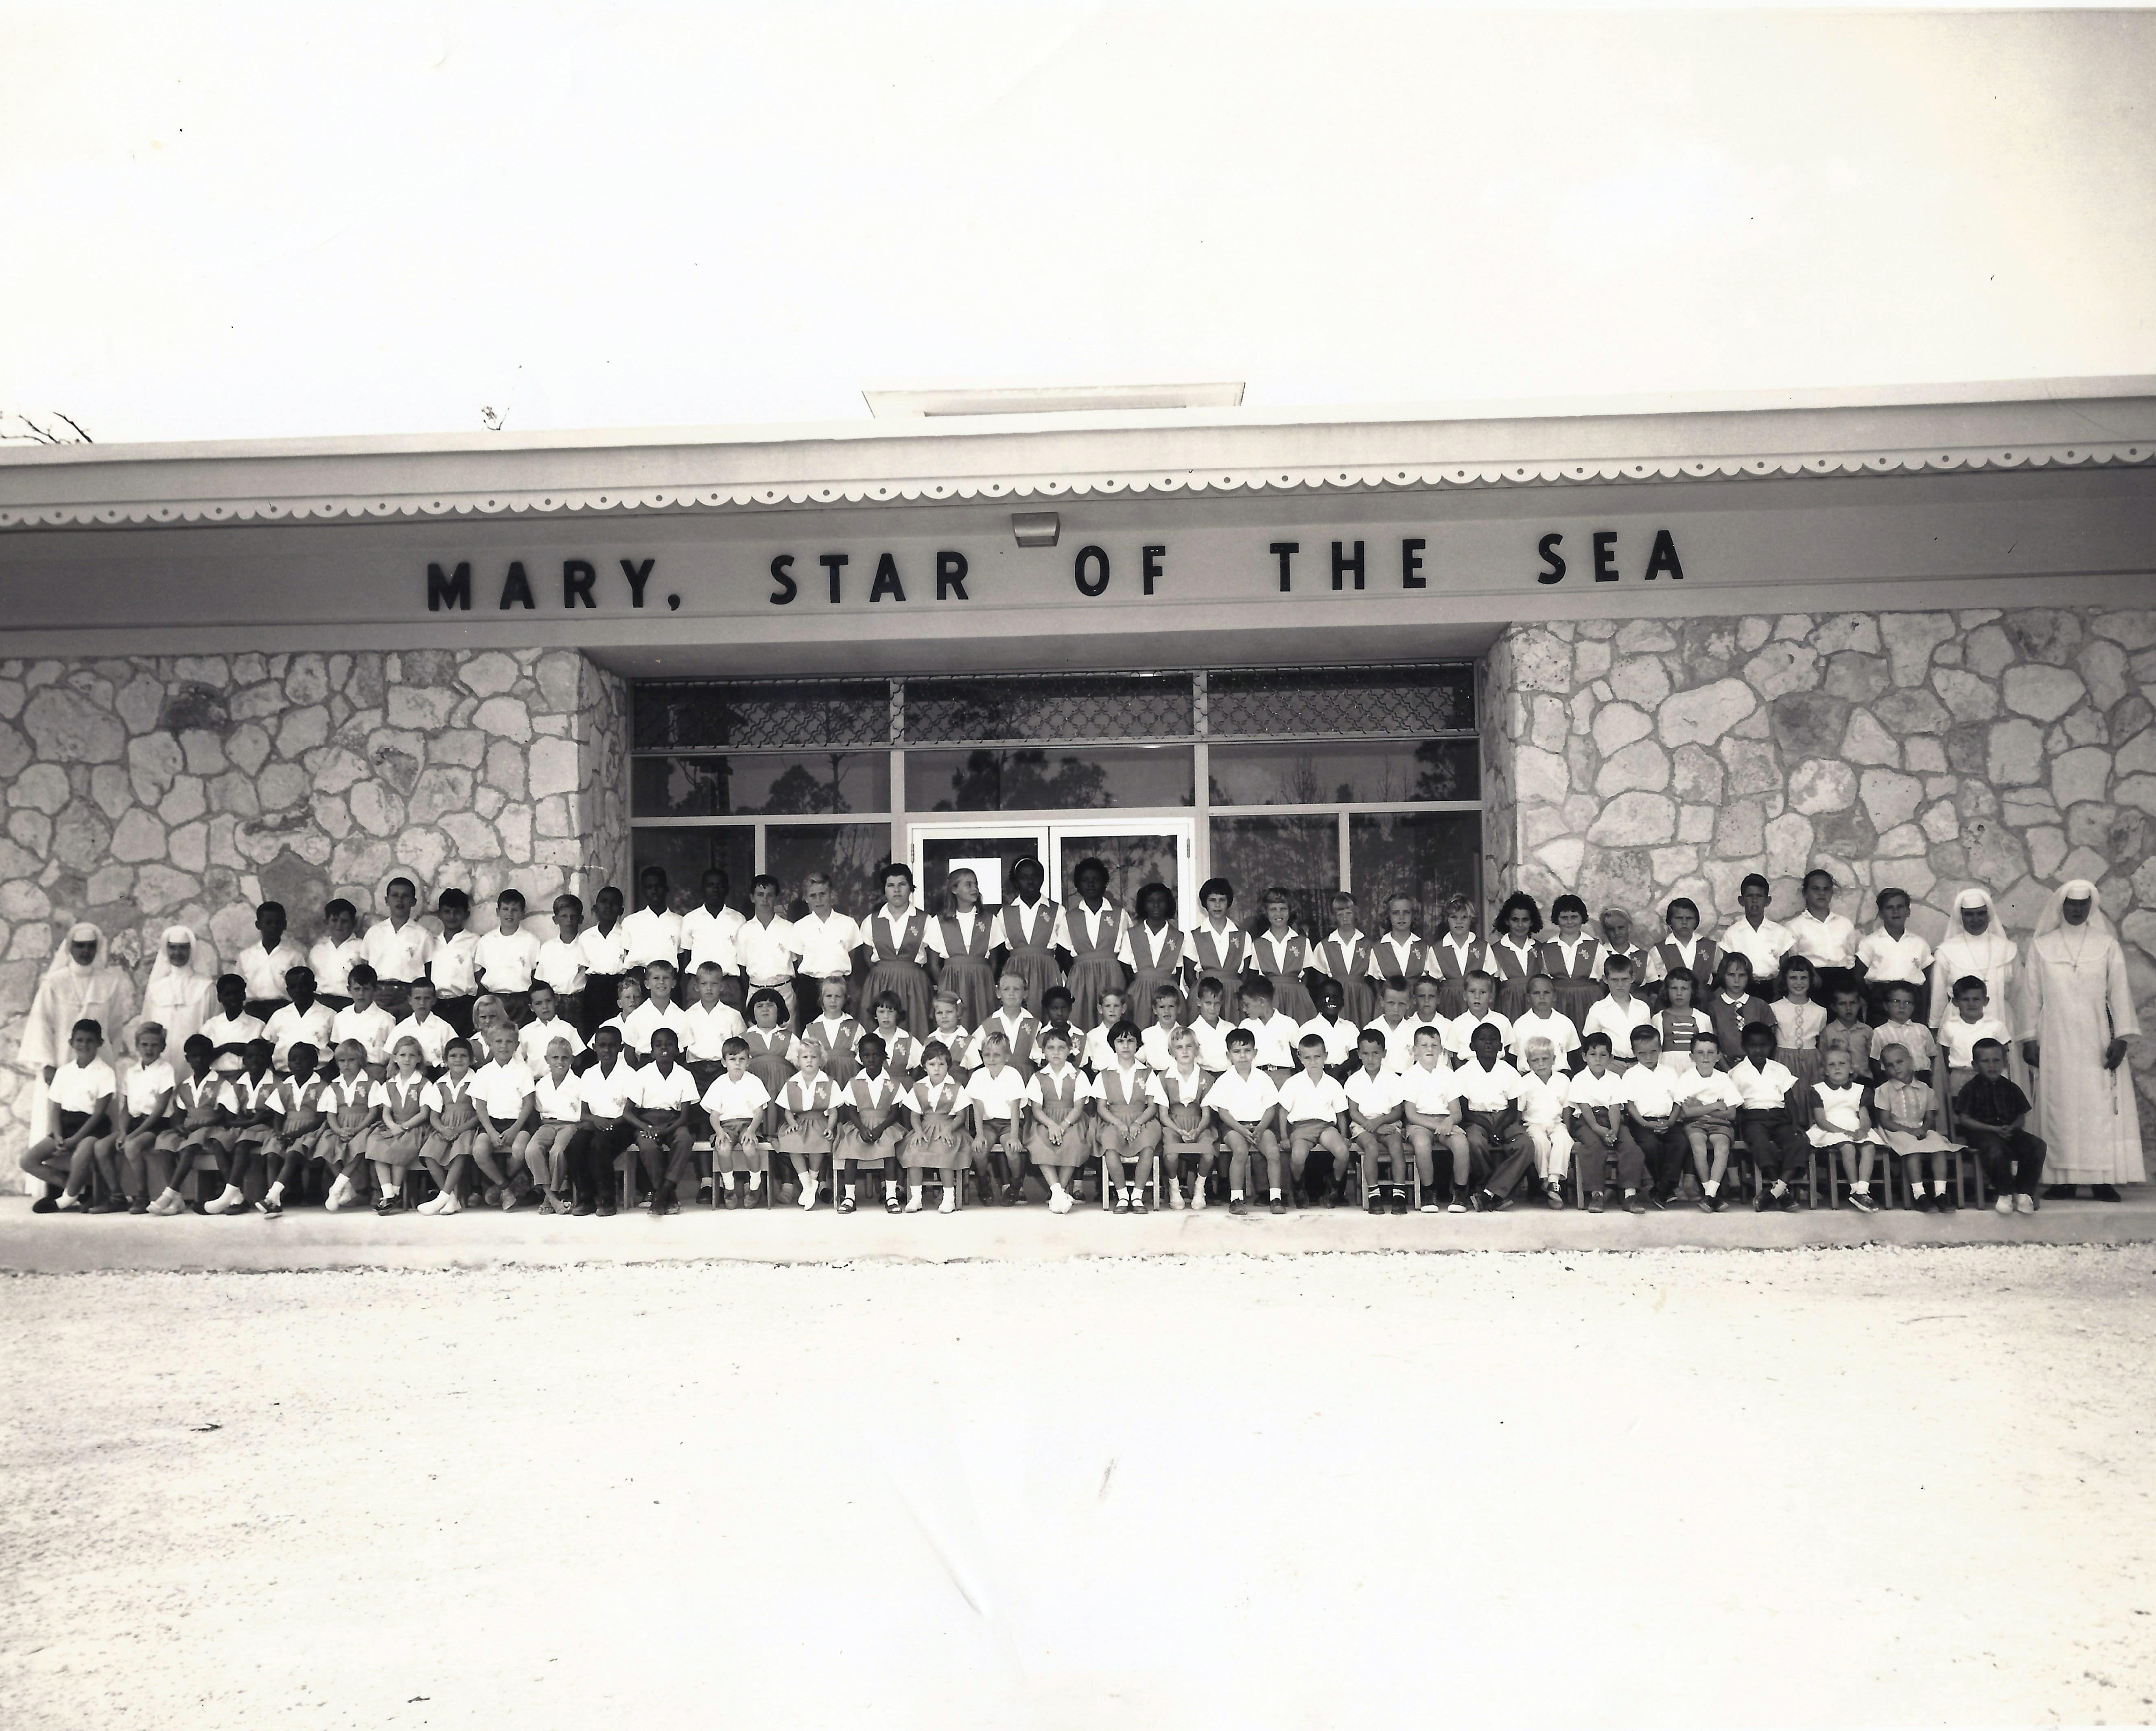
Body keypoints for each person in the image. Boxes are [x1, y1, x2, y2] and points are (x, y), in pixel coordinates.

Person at [2024, 880, 2143, 1201]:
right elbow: (2031, 996)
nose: (2077, 910)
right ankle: (2062, 1180)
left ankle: (2102, 1180)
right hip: (2055, 1038)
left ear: (2091, 907)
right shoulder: (2042, 946)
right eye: (2071, 904)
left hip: (2096, 1036)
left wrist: (2122, 1039)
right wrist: (2029, 1038)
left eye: (2083, 905)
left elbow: (2119, 992)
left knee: (2098, 1106)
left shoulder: (2107, 945)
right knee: (2058, 1104)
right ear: (2061, 906)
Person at [18, 923, 134, 1149]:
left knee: (99, 1122)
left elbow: (114, 1028)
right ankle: (56, 1181)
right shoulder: (54, 982)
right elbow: (41, 1024)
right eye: (80, 946)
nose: (85, 952)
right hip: (61, 1061)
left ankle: (95, 1181)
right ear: (70, 948)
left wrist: (108, 1063)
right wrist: (47, 1064)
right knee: (56, 1121)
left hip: (98, 1061)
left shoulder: (109, 982)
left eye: (91, 946)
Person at [20, 1017, 117, 1213]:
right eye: (80, 1040)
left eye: (90, 1041)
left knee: (82, 1152)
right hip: (65, 1125)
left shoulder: (105, 1073)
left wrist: (75, 1140)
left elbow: (99, 1113)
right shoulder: (64, 1072)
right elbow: (55, 1108)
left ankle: (66, 1199)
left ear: (100, 1043)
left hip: (92, 1128)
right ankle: (76, 1190)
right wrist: (57, 1136)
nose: (84, 1045)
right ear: (71, 1043)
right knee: (28, 1161)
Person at [143, 1035, 234, 1216]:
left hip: (212, 1128)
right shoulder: (185, 1086)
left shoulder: (221, 1084)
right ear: (188, 1059)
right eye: (194, 1057)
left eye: (204, 1056)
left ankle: (167, 1194)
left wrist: (203, 1125)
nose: (199, 1060)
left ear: (211, 1058)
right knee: (166, 1143)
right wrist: (178, 1126)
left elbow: (225, 1115)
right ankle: (177, 1200)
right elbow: (179, 1114)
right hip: (190, 1128)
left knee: (191, 1146)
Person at [1955, 1038, 2047, 1215]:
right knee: (1996, 1150)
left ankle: (2023, 1192)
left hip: (2009, 1132)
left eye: (1997, 1061)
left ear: (2004, 1063)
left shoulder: (2011, 1088)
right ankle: (2004, 1192)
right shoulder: (1970, 1089)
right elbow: (1965, 1120)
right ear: (1975, 1065)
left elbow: (2021, 1116)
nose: (1992, 1066)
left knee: (2037, 1145)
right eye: (1985, 1061)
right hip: (1982, 1134)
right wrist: (1993, 1130)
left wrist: (2012, 1128)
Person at [1455, 1022, 1535, 1213]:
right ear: (1472, 1046)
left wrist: (1498, 1128)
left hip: (1505, 1119)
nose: (1488, 1044)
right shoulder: (1463, 1073)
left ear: (1501, 1046)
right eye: (1483, 1040)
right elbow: (1465, 1111)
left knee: (1526, 1144)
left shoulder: (1509, 1071)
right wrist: (1489, 1128)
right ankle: (1491, 1190)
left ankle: (1487, 1193)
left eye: (1493, 1040)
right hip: (1476, 1120)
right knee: (1474, 1142)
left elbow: (1514, 1108)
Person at [1874, 1042, 1961, 1213]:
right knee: (1912, 1148)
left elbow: (1930, 1118)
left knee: (1938, 1146)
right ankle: (1919, 1195)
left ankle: (1941, 1193)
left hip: (1920, 1129)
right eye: (1890, 1065)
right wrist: (1910, 1131)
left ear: (1911, 1061)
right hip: (1895, 1131)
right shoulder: (1884, 1090)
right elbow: (1885, 1121)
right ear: (1885, 1068)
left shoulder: (1925, 1089)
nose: (1896, 1068)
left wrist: (1924, 1129)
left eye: (1900, 1062)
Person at [1205, 1026, 1283, 1216]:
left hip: (1260, 1125)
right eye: (1237, 1052)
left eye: (1247, 1051)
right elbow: (1223, 1112)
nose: (1243, 1056)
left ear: (1255, 1053)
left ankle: (1276, 1197)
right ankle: (1236, 1199)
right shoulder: (1224, 1080)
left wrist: (1261, 1128)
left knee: (1273, 1152)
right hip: (1233, 1127)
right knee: (1240, 1151)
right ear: (1228, 1055)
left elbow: (1270, 1108)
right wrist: (1241, 1130)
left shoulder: (1263, 1078)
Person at [1729, 1021, 1805, 1212]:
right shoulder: (1736, 1073)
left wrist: (1795, 1123)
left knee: (1800, 1142)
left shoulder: (1780, 1069)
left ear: (1771, 1046)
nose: (1759, 1050)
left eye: (1763, 1045)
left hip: (1780, 1117)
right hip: (1753, 1118)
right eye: (1753, 1046)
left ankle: (1776, 1192)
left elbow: (1791, 1100)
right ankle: (1781, 1192)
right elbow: (1735, 1105)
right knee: (1760, 1142)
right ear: (1744, 1047)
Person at [626, 1027, 699, 1215]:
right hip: (647, 1121)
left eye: (669, 1044)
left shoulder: (685, 1075)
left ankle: (662, 1194)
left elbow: (684, 1116)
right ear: (652, 1051)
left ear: (677, 1049)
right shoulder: (642, 1074)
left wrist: (666, 1131)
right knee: (649, 1147)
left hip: (675, 1122)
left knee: (685, 1140)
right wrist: (645, 1127)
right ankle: (667, 1195)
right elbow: (628, 1113)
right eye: (658, 1045)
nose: (664, 1048)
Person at [834, 1032, 908, 1215]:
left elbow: (895, 1112)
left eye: (876, 1055)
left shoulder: (893, 1083)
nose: (871, 1059)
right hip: (860, 1125)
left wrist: (880, 1129)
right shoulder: (854, 1083)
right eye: (866, 1055)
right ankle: (850, 1197)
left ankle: (891, 1196)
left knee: (890, 1152)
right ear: (860, 1057)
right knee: (851, 1152)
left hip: (886, 1124)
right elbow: (851, 1111)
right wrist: (862, 1129)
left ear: (885, 1057)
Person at [1807, 1046, 1888, 1213]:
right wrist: (1843, 1132)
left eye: (1842, 1064)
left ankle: (1863, 1191)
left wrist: (1864, 1130)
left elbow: (1865, 1118)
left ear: (1851, 1068)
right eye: (1831, 1065)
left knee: (1869, 1146)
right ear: (1825, 1071)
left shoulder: (1860, 1090)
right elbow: (1821, 1120)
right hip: (1831, 1129)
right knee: (1848, 1147)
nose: (1837, 1067)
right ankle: (1854, 1188)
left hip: (1855, 1126)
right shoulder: (1818, 1090)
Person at [1093, 1020, 1163, 1215]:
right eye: (1121, 1041)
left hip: (1143, 1120)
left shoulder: (1147, 1073)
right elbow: (1101, 1108)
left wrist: (1138, 1123)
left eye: (1131, 1041)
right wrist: (1119, 1124)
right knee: (1110, 1146)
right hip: (1113, 1120)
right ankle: (1123, 1195)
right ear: (1113, 1044)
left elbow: (1152, 1106)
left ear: (1138, 1044)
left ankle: (1138, 1196)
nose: (1126, 1046)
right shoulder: (1104, 1075)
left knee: (1148, 1146)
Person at [1929, 886, 2017, 1040]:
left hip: (2002, 1019)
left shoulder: (2007, 949)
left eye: (1981, 913)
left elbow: (2020, 993)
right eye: (1969, 915)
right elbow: (1938, 996)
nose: (1976, 920)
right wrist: (1935, 1028)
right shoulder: (1946, 951)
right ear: (1960, 916)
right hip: (1959, 1024)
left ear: (1989, 914)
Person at [564, 1027, 635, 1217]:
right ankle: (586, 1198)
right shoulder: (589, 1074)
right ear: (594, 1047)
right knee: (576, 1144)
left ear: (621, 1048)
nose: (607, 1051)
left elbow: (631, 1112)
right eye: (602, 1046)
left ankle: (607, 1199)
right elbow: (584, 1114)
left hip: (622, 1126)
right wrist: (596, 1120)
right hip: (596, 1124)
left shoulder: (629, 1074)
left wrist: (609, 1124)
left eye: (612, 1046)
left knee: (600, 1144)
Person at [1398, 1026, 1469, 1211]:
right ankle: (1429, 1193)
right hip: (1419, 1123)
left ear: (1441, 1050)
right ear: (1415, 1051)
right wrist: (1439, 1125)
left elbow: (1457, 1113)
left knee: (1461, 1142)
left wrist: (1449, 1122)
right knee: (1422, 1144)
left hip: (1445, 1121)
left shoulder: (1448, 1075)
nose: (1429, 1050)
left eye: (1434, 1045)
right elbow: (1411, 1114)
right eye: (1424, 1045)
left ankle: (1460, 1193)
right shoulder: (1409, 1076)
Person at [1279, 1032, 1353, 1208]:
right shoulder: (1293, 1082)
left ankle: (1334, 1187)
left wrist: (1344, 1136)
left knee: (1343, 1152)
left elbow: (1341, 1113)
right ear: (1300, 1059)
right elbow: (1283, 1112)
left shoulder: (1333, 1083)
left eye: (1318, 1057)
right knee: (1298, 1156)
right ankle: (1298, 1187)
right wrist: (1284, 1137)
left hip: (1326, 1127)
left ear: (1326, 1056)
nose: (1313, 1062)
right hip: (1302, 1128)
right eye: (1308, 1058)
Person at [1024, 1027, 1093, 1215]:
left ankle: (1058, 1193)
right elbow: (1036, 1109)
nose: (1056, 1052)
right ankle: (1058, 1192)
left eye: (1061, 1048)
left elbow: (1079, 1107)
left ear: (1070, 1050)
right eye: (1051, 1048)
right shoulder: (1038, 1077)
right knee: (1039, 1142)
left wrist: (1063, 1125)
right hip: (1046, 1120)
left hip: (1072, 1120)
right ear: (1044, 1051)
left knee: (1073, 1142)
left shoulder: (1079, 1075)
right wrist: (1052, 1125)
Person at [1563, 1033, 1634, 1215]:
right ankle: (1597, 1194)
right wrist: (1598, 1129)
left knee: (1630, 1146)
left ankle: (1630, 1194)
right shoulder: (1579, 1079)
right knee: (1594, 1147)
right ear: (1584, 1057)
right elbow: (1584, 1108)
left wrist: (1615, 1131)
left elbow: (1615, 1107)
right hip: (1588, 1122)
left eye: (1604, 1055)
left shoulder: (1615, 1079)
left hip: (1613, 1120)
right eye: (1593, 1055)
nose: (1598, 1060)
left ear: (1611, 1058)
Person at [862, 863, 935, 1038]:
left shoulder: (926, 920)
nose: (897, 890)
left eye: (902, 884)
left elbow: (933, 959)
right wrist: (883, 974)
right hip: (880, 983)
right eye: (891, 885)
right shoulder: (872, 920)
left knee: (915, 1029)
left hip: (914, 984)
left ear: (911, 888)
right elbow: (866, 957)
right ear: (884, 890)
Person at [112, 1021, 178, 1215]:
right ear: (137, 1046)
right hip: (134, 1123)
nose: (149, 1049)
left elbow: (159, 1110)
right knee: (103, 1147)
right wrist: (123, 1133)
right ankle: (115, 1196)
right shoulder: (131, 1072)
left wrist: (133, 1136)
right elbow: (126, 1107)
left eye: (155, 1045)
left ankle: (143, 1195)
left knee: (132, 1146)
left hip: (156, 1124)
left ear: (163, 1047)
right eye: (145, 1045)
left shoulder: (166, 1070)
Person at [701, 1036, 774, 1210]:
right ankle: (729, 1188)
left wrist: (751, 1131)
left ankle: (755, 1187)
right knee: (724, 1148)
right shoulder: (719, 1083)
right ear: (724, 1062)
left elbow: (759, 1112)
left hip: (749, 1125)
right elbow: (714, 1115)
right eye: (732, 1059)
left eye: (742, 1059)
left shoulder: (754, 1082)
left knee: (750, 1147)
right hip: (726, 1126)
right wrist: (719, 1132)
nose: (737, 1064)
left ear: (749, 1061)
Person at [1672, 1032, 1743, 1211]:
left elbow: (1732, 1114)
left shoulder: (1723, 1078)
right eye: (1700, 1053)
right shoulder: (1687, 1078)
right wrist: (1715, 1106)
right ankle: (1710, 1192)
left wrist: (1701, 1109)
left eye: (1711, 1053)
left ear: (1719, 1056)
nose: (1705, 1057)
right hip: (1695, 1125)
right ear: (1692, 1056)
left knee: (1722, 1148)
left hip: (1720, 1126)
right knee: (1699, 1147)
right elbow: (1687, 1112)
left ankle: (1710, 1195)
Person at [1619, 1027, 1687, 1211]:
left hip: (1668, 1120)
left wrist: (1671, 1121)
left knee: (1680, 1142)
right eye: (1642, 1053)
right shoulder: (1631, 1075)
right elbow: (1629, 1105)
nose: (1648, 1057)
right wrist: (1645, 1123)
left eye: (1653, 1052)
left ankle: (1663, 1189)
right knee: (1650, 1146)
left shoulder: (1669, 1072)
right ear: (1634, 1053)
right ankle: (1663, 1186)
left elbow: (1678, 1101)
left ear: (1660, 1050)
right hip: (1642, 1122)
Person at [257, 1043, 328, 1218]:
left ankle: (273, 1198)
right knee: (273, 1153)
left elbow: (320, 1119)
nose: (298, 1064)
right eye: (294, 1060)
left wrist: (294, 1135)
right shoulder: (285, 1085)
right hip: (287, 1129)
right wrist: (279, 1132)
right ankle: (276, 1199)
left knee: (294, 1153)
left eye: (304, 1060)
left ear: (315, 1063)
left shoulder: (322, 1086)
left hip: (312, 1130)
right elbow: (279, 1114)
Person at [993, 856, 1069, 1018]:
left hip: (1046, 971)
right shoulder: (1005, 913)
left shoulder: (1057, 911)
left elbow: (1063, 950)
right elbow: (1000, 952)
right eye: (1024, 878)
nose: (1030, 882)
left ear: (1042, 880)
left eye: (1034, 877)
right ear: (1016, 882)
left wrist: (1052, 971)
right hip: (1015, 971)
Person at [366, 1036, 433, 1215]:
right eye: (403, 1055)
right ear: (395, 1058)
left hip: (414, 1127)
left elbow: (424, 1113)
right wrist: (393, 1126)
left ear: (419, 1059)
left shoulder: (424, 1084)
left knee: (400, 1147)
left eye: (412, 1055)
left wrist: (403, 1128)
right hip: (393, 1125)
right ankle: (389, 1193)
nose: (407, 1059)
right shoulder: (390, 1084)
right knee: (375, 1143)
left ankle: (393, 1193)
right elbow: (386, 1112)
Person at [927, 866, 999, 1029]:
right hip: (952, 981)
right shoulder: (940, 922)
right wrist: (945, 989)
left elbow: (994, 960)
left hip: (982, 982)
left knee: (983, 1026)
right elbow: (933, 964)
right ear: (954, 890)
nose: (975, 889)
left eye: (976, 884)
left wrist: (986, 981)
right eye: (968, 885)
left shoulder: (989, 920)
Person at [414, 1038, 481, 1215]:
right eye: (453, 1056)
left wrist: (458, 1131)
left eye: (463, 1056)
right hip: (445, 1127)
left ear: (472, 1059)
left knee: (460, 1152)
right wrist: (443, 1129)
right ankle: (451, 1198)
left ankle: (442, 1198)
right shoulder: (440, 1084)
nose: (458, 1060)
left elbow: (479, 1114)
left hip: (468, 1128)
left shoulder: (477, 1081)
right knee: (429, 1153)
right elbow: (434, 1115)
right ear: (445, 1060)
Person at [901, 1040, 968, 1213]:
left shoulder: (956, 1087)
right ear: (925, 1067)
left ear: (948, 1066)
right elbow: (915, 1114)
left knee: (944, 1151)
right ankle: (916, 1198)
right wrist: (918, 1131)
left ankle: (948, 1198)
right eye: (932, 1064)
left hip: (949, 1127)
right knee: (914, 1151)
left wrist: (949, 1129)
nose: (937, 1069)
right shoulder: (919, 1087)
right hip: (925, 1128)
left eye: (941, 1064)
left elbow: (962, 1116)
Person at [964, 1029, 1030, 1205]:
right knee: (979, 1149)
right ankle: (984, 1183)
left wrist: (1015, 1137)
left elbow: (1016, 1109)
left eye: (997, 1055)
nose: (991, 1059)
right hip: (987, 1124)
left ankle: (1016, 1185)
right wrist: (978, 1135)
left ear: (1007, 1056)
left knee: (1012, 1149)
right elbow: (977, 1109)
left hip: (1010, 1124)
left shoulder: (1013, 1075)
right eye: (987, 1055)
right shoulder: (978, 1076)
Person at [775, 1034, 841, 1210]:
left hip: (820, 1121)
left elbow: (833, 1111)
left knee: (818, 1142)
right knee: (791, 1142)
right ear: (798, 1061)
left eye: (814, 1057)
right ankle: (808, 1184)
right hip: (799, 1122)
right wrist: (791, 1123)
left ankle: (813, 1178)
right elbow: (787, 1111)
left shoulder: (829, 1083)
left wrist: (830, 1127)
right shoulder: (792, 1083)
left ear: (821, 1060)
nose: (809, 1061)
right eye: (805, 1057)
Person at [315, 1040, 381, 1214]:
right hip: (341, 1126)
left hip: (364, 1125)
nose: (346, 1065)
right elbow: (331, 1114)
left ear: (361, 1061)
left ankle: (338, 1187)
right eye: (342, 1061)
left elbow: (373, 1112)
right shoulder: (334, 1086)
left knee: (361, 1145)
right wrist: (338, 1130)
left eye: (351, 1060)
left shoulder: (371, 1083)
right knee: (326, 1144)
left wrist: (358, 1129)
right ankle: (349, 1186)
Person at [1061, 858, 1128, 1032]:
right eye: (1085, 880)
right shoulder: (1069, 918)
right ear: (1078, 885)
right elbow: (1063, 955)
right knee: (1080, 1025)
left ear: (1105, 883)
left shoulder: (1119, 915)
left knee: (1114, 1025)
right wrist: (1079, 975)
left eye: (1096, 880)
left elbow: (1128, 952)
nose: (1091, 884)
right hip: (1080, 980)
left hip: (1112, 977)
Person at [1157, 1027, 1216, 1210]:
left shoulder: (1206, 1078)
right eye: (1179, 1047)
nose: (1184, 1051)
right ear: (1171, 1051)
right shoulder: (1163, 1077)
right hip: (1173, 1125)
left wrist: (1198, 1130)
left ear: (1197, 1049)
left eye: (1189, 1046)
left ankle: (1200, 1188)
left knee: (1208, 1151)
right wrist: (1178, 1131)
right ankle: (1175, 1188)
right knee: (1172, 1153)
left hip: (1199, 1123)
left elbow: (1207, 1114)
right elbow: (1163, 1115)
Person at [133, 925, 217, 1054]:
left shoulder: (206, 988)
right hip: (161, 1059)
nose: (177, 953)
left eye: (183, 948)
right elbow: (147, 1028)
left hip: (195, 1060)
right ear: (166, 950)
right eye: (173, 948)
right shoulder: (156, 988)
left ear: (191, 950)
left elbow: (215, 1028)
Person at [363, 876, 437, 1021]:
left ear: (413, 902)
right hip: (380, 994)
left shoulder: (423, 935)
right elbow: (365, 967)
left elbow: (429, 971)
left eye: (405, 897)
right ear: (387, 900)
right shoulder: (374, 932)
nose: (400, 900)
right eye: (395, 896)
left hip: (408, 996)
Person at [1857, 887, 1933, 1025]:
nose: (1896, 911)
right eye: (1889, 908)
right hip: (1881, 1004)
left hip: (1912, 1002)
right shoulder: (1870, 942)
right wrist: (1873, 999)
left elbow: (1927, 981)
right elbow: (1858, 976)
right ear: (1881, 914)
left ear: (1908, 911)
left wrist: (1923, 1014)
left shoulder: (1920, 943)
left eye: (1900, 907)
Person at [1786, 868, 1861, 1005]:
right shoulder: (1794, 926)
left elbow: (1850, 957)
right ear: (1805, 893)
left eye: (1826, 889)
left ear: (1832, 893)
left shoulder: (1845, 924)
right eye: (1815, 889)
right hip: (1814, 984)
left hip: (1843, 983)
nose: (1822, 893)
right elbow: (1793, 961)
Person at [1518, 1036, 1574, 1209]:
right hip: (1533, 1125)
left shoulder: (1563, 1080)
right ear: (1528, 1063)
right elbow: (1519, 1112)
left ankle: (1554, 1181)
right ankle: (1545, 1179)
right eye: (1535, 1061)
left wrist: (1569, 1130)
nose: (1541, 1064)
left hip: (1556, 1123)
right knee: (1540, 1141)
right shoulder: (1525, 1082)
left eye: (1545, 1059)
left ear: (1554, 1060)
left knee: (1564, 1140)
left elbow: (1567, 1109)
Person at [737, 874, 801, 1025]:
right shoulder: (745, 931)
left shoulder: (789, 928)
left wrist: (787, 988)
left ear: (776, 898)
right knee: (758, 1040)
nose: (765, 900)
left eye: (770, 895)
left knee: (787, 1041)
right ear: (752, 898)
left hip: (783, 990)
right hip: (756, 990)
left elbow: (797, 967)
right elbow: (742, 969)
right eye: (760, 895)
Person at [1310, 891, 1379, 1029]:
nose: (1345, 919)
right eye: (1340, 915)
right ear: (1334, 917)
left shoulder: (1368, 944)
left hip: (1362, 999)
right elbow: (1319, 983)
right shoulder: (1325, 945)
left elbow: (1374, 980)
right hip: (1336, 997)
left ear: (1356, 914)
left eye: (1349, 913)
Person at [1720, 874, 1795, 1001]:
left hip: (1773, 990)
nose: (1755, 901)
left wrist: (1780, 992)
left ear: (1768, 901)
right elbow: (1727, 968)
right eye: (1750, 896)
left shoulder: (1781, 933)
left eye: (1759, 896)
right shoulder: (1732, 933)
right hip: (1744, 990)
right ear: (1741, 901)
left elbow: (1785, 968)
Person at [621, 866, 687, 1006]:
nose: (654, 891)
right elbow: (627, 956)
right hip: (640, 983)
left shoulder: (680, 922)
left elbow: (682, 959)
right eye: (649, 887)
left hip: (668, 984)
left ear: (666, 889)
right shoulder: (631, 922)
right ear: (643, 890)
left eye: (658, 886)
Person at [1249, 886, 1316, 1024]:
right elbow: (1255, 978)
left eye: (1283, 909)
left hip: (1297, 999)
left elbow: (1308, 976)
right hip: (1269, 1000)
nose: (1278, 914)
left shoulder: (1302, 942)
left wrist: (1299, 995)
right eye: (1273, 909)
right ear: (1266, 912)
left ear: (1290, 911)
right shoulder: (1258, 944)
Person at [680, 870, 745, 1011]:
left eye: (720, 886)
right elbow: (686, 957)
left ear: (727, 890)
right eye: (710, 885)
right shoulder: (690, 919)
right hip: (699, 986)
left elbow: (743, 959)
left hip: (729, 985)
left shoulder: (739, 919)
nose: (715, 890)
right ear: (703, 889)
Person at [572, 885, 631, 1039]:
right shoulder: (586, 937)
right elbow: (583, 970)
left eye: (614, 903)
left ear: (621, 911)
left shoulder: (627, 934)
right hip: (595, 988)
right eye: (604, 902)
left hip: (618, 986)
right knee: (593, 1031)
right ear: (595, 908)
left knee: (618, 1031)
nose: (609, 906)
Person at [1539, 894, 1605, 1031]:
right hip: (1559, 1002)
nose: (1569, 922)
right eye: (1564, 918)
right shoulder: (1547, 948)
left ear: (1583, 918)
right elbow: (1544, 978)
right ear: (1557, 920)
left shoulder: (1595, 946)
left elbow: (1604, 978)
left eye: (1574, 917)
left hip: (1589, 1000)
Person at [1644, 896, 1718, 1012]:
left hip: (1704, 1004)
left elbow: (1718, 975)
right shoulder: (1659, 950)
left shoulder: (1710, 947)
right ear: (1670, 921)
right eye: (1679, 918)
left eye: (1689, 918)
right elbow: (1653, 982)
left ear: (1696, 921)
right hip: (1670, 1005)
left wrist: (1704, 992)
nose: (1684, 922)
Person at [236, 902, 307, 1020]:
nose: (274, 926)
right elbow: (238, 986)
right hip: (253, 1011)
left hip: (284, 1009)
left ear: (285, 925)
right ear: (258, 925)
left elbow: (303, 988)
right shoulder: (245, 956)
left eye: (278, 922)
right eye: (268, 922)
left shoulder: (294, 956)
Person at [263, 966, 337, 1078]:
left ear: (314, 986)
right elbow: (269, 1046)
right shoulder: (279, 1015)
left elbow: (336, 1048)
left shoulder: (330, 1015)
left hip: (319, 1075)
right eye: (293, 987)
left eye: (303, 985)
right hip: (284, 1075)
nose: (298, 990)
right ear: (288, 990)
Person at [1186, 878, 1251, 1005]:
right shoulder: (1195, 936)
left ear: (1229, 902)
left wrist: (1239, 993)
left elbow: (1247, 974)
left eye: (1222, 900)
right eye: (1212, 900)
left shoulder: (1243, 936)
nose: (1217, 905)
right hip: (1206, 998)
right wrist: (1201, 993)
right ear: (1205, 903)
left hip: (1235, 996)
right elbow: (1189, 975)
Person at [1581, 955, 1653, 1069]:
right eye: (1615, 980)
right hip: (1611, 1064)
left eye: (1625, 979)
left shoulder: (1643, 1007)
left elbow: (1647, 1039)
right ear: (1605, 979)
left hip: (1638, 1064)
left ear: (1632, 978)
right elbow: (1590, 1041)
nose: (1620, 985)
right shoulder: (1598, 1009)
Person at [1705, 954, 1775, 1070]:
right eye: (1731, 975)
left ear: (1749, 977)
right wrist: (1727, 1070)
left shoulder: (1761, 1005)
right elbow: (1713, 1043)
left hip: (1758, 1068)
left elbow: (1771, 1041)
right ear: (1723, 976)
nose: (1737, 980)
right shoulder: (1713, 1008)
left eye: (1742, 975)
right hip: (1724, 1068)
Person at [426, 887, 479, 1038]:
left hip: (463, 1005)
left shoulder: (474, 941)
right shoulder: (433, 943)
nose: (452, 916)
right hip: (437, 1005)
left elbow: (480, 979)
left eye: (457, 912)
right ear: (439, 914)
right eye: (447, 912)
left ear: (466, 915)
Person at [1428, 893, 1489, 1022]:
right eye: (1454, 917)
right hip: (1447, 1005)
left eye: (1464, 917)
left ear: (1471, 919)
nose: (1459, 922)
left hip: (1477, 1003)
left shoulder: (1483, 947)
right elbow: (1433, 985)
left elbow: (1491, 983)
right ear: (1447, 919)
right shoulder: (1437, 949)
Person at [1769, 957, 1826, 1091]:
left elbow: (1819, 1038)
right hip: (1783, 1060)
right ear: (1785, 980)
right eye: (1793, 978)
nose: (1799, 982)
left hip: (1811, 1061)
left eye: (1804, 978)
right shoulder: (1774, 1008)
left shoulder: (1820, 1011)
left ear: (1811, 979)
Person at [331, 965, 397, 1080]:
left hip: (375, 1073)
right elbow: (338, 1048)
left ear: (375, 990)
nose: (361, 994)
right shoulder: (341, 1017)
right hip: (347, 1074)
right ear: (349, 990)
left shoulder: (386, 1019)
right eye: (357, 989)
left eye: (366, 989)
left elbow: (393, 1053)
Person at [536, 893, 591, 1030]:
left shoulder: (588, 946)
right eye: (564, 917)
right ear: (556, 920)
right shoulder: (548, 948)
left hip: (580, 1003)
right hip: (554, 1002)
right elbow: (540, 980)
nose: (569, 921)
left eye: (573, 917)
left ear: (581, 919)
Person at [1488, 892, 1544, 1023]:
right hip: (1508, 1007)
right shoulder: (1495, 950)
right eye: (1515, 920)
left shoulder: (1540, 949)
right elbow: (1493, 989)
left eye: (1525, 920)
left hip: (1536, 1006)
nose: (1520, 925)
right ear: (1507, 921)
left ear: (1532, 922)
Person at [1509, 973, 1581, 1073]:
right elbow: (1513, 1058)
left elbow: (1575, 1059)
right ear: (1528, 998)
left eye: (1547, 993)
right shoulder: (1520, 1025)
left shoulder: (1565, 1023)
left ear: (1555, 996)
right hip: (1528, 1079)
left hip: (1560, 1079)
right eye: (1536, 993)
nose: (1542, 997)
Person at [1236, 975, 1302, 1083]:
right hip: (1256, 1076)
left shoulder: (1288, 1023)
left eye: (1247, 1005)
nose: (1244, 1009)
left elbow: (1301, 1052)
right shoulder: (1245, 1025)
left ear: (1262, 1002)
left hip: (1284, 1077)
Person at [1868, 985, 1936, 1085]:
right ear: (1886, 1006)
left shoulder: (1923, 1030)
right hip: (1894, 1080)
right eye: (1896, 1002)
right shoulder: (1880, 1032)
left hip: (1923, 1078)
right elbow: (1876, 1061)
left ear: (1914, 1007)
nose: (1902, 1007)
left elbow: (1932, 1056)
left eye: (1908, 1002)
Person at [309, 899, 365, 1011]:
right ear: (327, 922)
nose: (339, 925)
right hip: (320, 1003)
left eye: (344, 921)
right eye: (335, 920)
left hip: (349, 1003)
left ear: (353, 923)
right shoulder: (318, 949)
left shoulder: (361, 947)